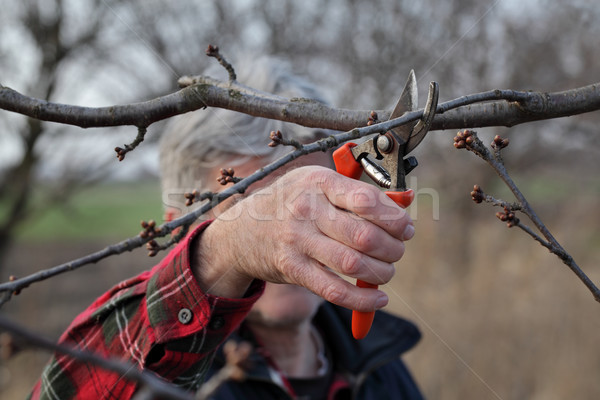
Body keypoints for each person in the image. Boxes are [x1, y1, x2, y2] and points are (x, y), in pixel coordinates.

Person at [31, 57, 423, 400]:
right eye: (253, 204)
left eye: (314, 198)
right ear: (178, 225)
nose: (292, 227)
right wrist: (227, 253)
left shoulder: (380, 365)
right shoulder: (165, 371)